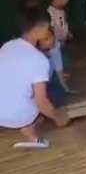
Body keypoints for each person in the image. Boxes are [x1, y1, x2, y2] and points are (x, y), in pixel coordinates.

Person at [0, 8, 70, 149]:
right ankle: (31, 132)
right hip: (16, 114)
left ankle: (29, 132)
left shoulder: (7, 46)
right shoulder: (39, 59)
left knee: (16, 90)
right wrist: (58, 117)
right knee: (45, 98)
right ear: (41, 27)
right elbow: (41, 102)